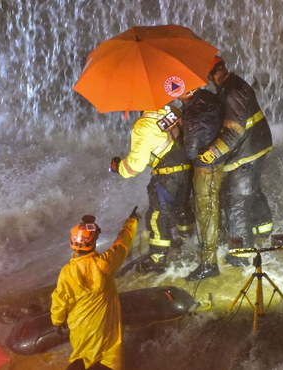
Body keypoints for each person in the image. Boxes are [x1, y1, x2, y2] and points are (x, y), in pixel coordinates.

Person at [198, 56, 274, 266]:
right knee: (251, 188)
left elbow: (233, 131)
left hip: (247, 151)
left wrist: (212, 152)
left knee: (237, 201)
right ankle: (263, 228)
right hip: (256, 145)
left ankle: (240, 254)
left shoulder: (231, 93)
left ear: (212, 74)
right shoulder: (234, 84)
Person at [50, 207, 140, 370]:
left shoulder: (67, 272)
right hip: (104, 330)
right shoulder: (105, 264)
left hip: (80, 330)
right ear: (94, 242)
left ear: (72, 244)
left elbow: (59, 301)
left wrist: (57, 321)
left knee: (82, 359)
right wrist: (132, 221)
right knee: (109, 359)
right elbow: (122, 244)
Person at [110, 106, 194, 274]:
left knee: (157, 216)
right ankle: (188, 240)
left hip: (166, 176)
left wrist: (119, 167)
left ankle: (158, 258)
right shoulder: (174, 112)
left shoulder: (143, 125)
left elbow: (136, 164)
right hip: (186, 169)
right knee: (181, 206)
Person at [177, 88, 225, 281]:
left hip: (205, 168)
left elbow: (189, 152)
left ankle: (209, 264)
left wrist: (178, 131)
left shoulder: (194, 116)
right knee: (210, 210)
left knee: (206, 213)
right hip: (216, 162)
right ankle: (211, 245)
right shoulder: (207, 98)